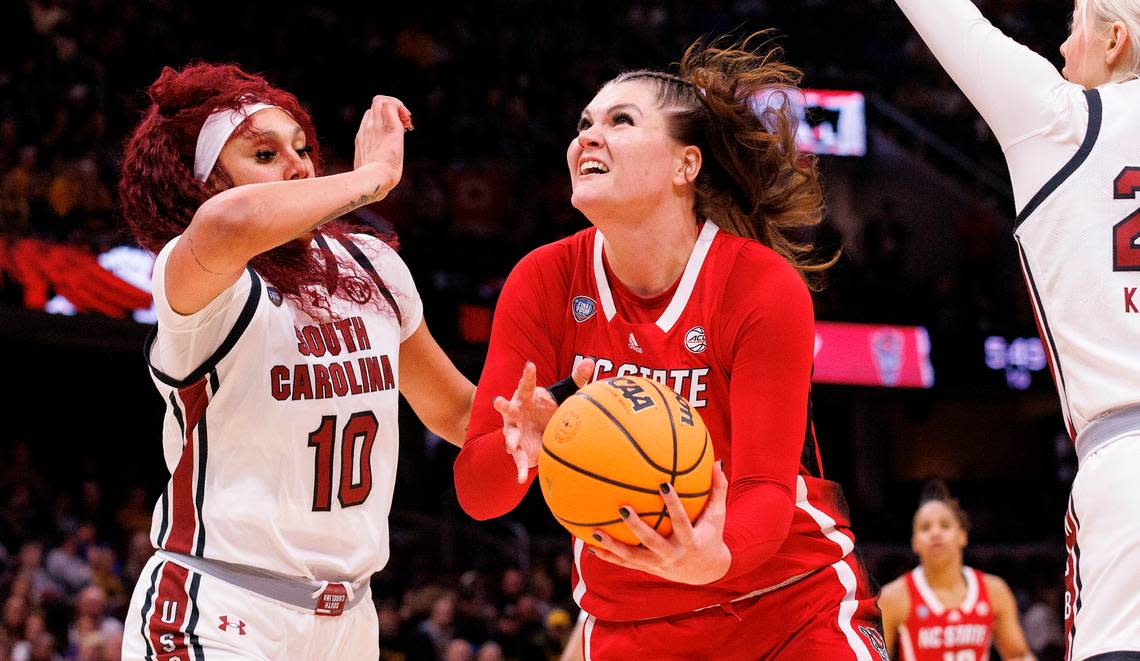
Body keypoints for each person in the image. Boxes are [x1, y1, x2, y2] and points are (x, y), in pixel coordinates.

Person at [452, 35, 884, 660]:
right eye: (584, 124)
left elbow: (765, 487)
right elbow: (477, 492)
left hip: (785, 604)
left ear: (687, 165)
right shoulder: (543, 280)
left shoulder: (759, 285)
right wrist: (520, 452)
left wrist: (714, 555)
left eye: (620, 121)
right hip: (632, 625)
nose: (588, 137)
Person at [116, 62, 475, 659]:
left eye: (303, 147)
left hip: (350, 619)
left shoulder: (370, 265)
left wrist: (552, 421)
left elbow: (457, 412)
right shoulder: (198, 274)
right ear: (205, 184)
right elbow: (230, 224)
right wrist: (376, 175)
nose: (299, 164)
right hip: (219, 608)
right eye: (264, 154)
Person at [891, 1, 1140, 657]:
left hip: (1127, 460)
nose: (1061, 50)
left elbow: (948, 19)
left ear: (1115, 38)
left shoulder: (1060, 118)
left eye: (1072, 27)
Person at [879, 482, 1035, 661]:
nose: (935, 533)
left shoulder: (994, 590)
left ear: (962, 535)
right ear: (914, 542)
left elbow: (1018, 655)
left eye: (945, 525)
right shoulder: (893, 597)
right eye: (925, 527)